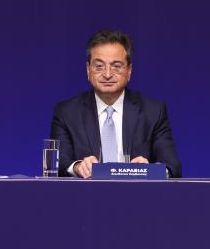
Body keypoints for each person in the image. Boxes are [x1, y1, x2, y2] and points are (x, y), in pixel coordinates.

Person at [50, 30, 182, 178]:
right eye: (99, 66)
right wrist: (78, 167)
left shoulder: (153, 112)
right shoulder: (67, 112)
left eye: (116, 66)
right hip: (86, 191)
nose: (107, 74)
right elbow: (59, 163)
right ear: (88, 70)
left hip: (136, 192)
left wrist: (149, 171)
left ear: (129, 71)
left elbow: (172, 166)